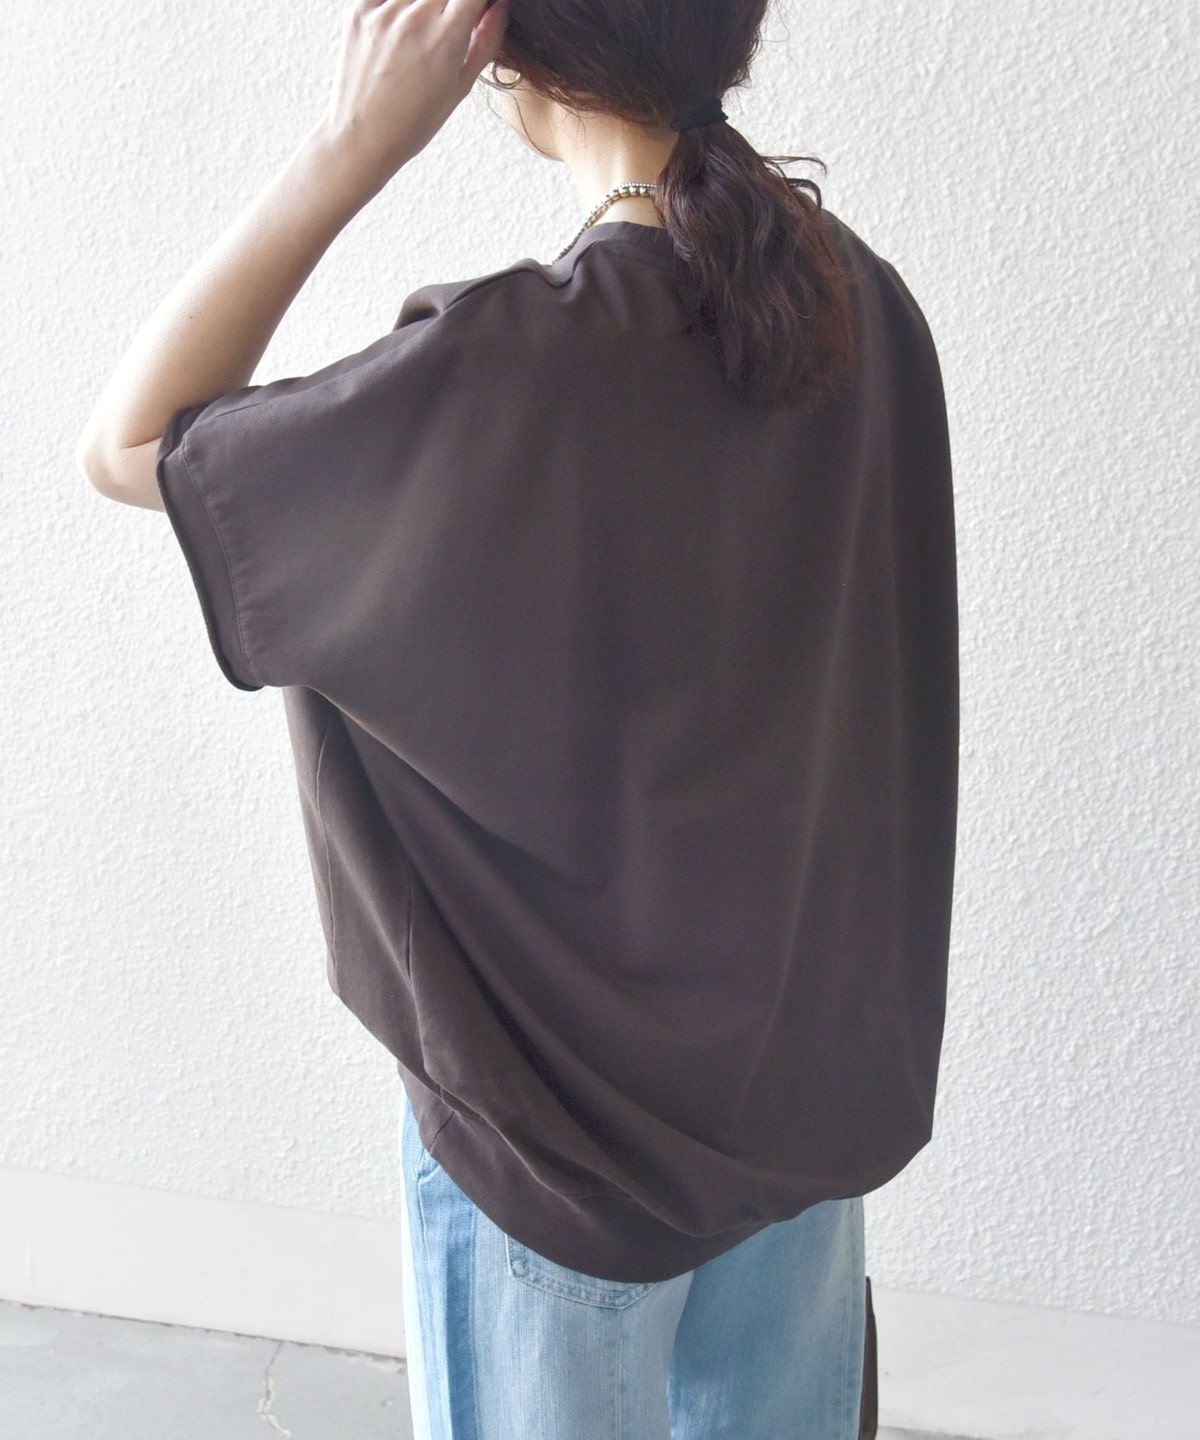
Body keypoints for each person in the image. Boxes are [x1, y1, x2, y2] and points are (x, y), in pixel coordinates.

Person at [76, 0, 957, 1435]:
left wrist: (352, 144)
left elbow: (128, 442)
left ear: (510, 53)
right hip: (798, 1110)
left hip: (559, 1145)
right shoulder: (855, 299)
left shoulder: (510, 363)